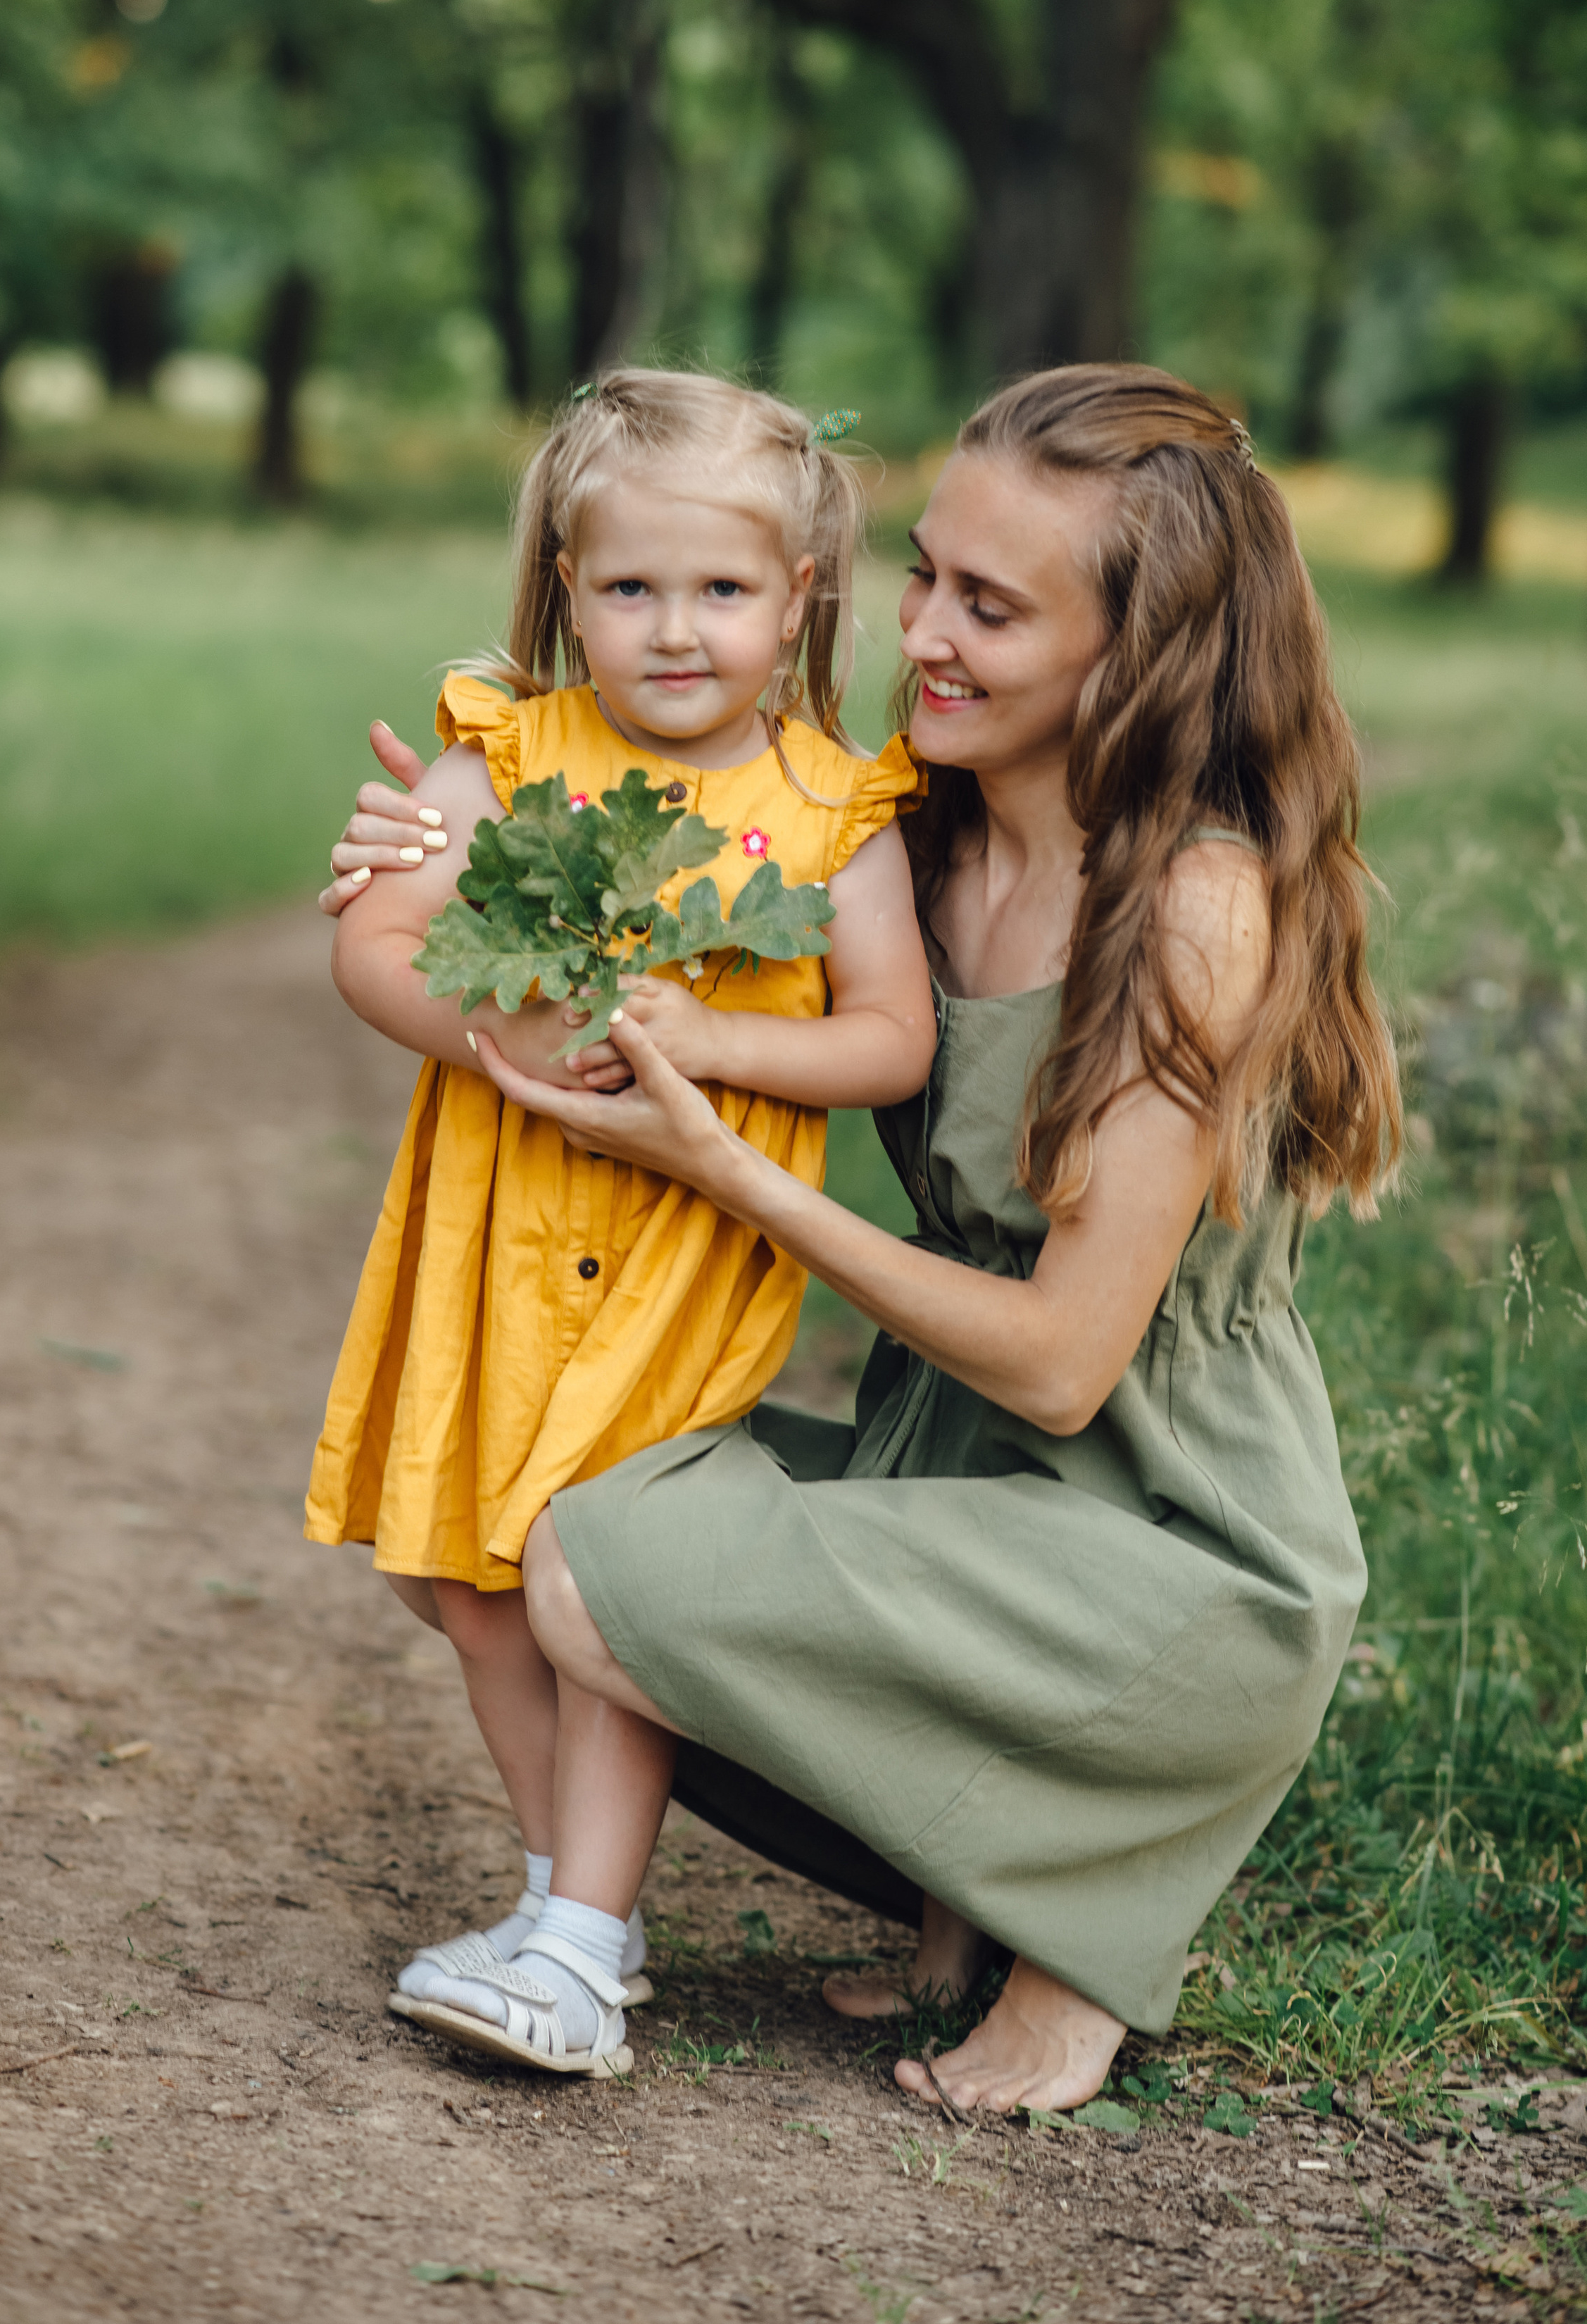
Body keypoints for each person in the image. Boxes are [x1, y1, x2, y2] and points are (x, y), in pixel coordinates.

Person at [329, 362, 1401, 2115]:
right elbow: (654, 822)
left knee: (605, 1575)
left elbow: (1062, 1366)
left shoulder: (1195, 903)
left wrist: (737, 1173)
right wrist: (430, 850)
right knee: (544, 1519)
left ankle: (1076, 1930)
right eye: (923, 574)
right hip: (954, 1487)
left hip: (1165, 1547)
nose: (923, 636)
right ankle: (960, 1894)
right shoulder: (922, 818)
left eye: (989, 606)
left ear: (1134, 654)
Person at [308, 369, 935, 2078]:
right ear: (565, 586)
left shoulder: (831, 809)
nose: (674, 632)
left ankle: (579, 1944)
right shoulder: (504, 753)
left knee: (605, 1578)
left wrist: (718, 1035)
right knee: (468, 1585)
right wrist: (485, 1033)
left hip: (676, 1258)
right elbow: (376, 952)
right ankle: (564, 1898)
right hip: (494, 1229)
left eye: (722, 590)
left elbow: (891, 1037)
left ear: (798, 597)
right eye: (628, 588)